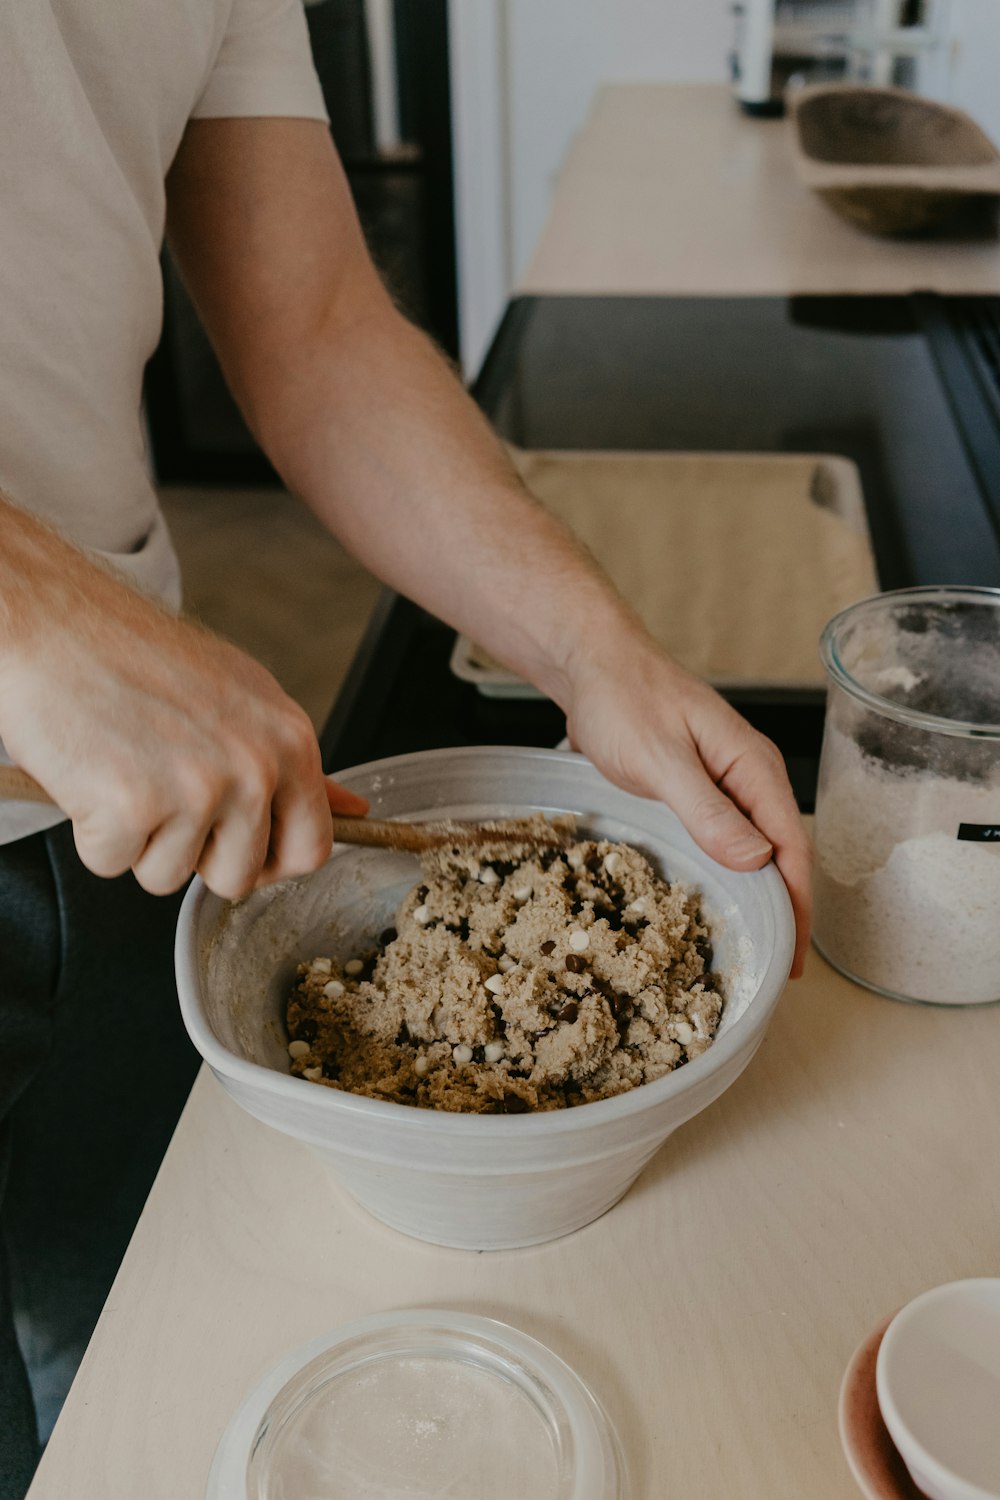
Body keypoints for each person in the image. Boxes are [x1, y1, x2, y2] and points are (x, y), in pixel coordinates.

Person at [0, 3, 812, 1493]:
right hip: (83, 710)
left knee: (108, 1355)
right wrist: (25, 607)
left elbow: (313, 320)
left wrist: (591, 657)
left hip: (120, 821)